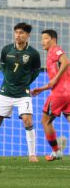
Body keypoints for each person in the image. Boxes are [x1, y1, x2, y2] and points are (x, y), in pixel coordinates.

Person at [0, 23, 41, 163]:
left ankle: (32, 155)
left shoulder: (33, 53)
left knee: (27, 120)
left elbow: (36, 71)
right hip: (5, 91)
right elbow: (3, 66)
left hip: (23, 93)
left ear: (27, 35)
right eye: (16, 32)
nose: (18, 35)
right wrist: (8, 80)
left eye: (21, 33)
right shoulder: (6, 50)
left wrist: (26, 82)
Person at [32, 30, 70, 161]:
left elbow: (66, 61)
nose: (42, 41)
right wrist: (42, 89)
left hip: (60, 93)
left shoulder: (55, 50)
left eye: (45, 38)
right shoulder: (50, 55)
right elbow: (56, 79)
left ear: (53, 39)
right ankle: (57, 151)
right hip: (67, 92)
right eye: (42, 38)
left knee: (45, 121)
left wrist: (55, 80)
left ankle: (56, 151)